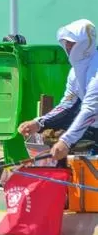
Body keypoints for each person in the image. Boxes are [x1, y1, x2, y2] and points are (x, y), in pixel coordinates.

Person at [18, 19, 98, 161]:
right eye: (65, 42)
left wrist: (66, 141)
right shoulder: (74, 72)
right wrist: (38, 123)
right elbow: (67, 105)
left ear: (85, 45)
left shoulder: (95, 71)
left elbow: (91, 111)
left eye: (71, 43)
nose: (67, 46)